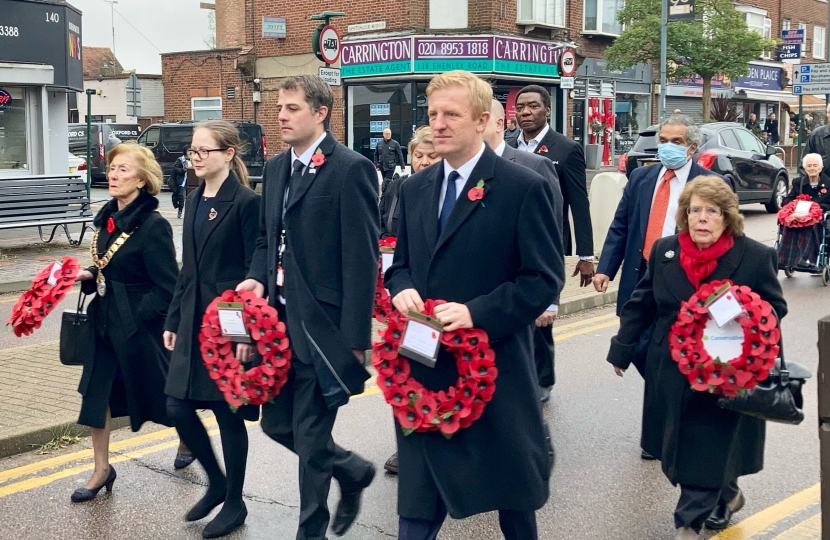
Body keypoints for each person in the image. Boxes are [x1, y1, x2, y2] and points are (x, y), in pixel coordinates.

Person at [385, 70, 562, 540]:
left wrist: (475, 312)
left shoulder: (522, 186)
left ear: (483, 120)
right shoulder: (415, 188)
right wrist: (399, 287)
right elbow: (399, 263)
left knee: (513, 500)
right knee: (418, 508)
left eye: (451, 115)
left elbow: (543, 279)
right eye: (433, 114)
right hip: (424, 370)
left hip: (494, 373)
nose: (439, 124)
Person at [237, 74, 377, 540]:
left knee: (313, 437)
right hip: (276, 325)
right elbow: (265, 238)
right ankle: (351, 470)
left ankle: (310, 531)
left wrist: (357, 340)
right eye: (279, 107)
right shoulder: (275, 169)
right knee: (277, 426)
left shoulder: (349, 168)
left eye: (292, 108)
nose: (280, 116)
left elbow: (362, 260)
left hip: (322, 328)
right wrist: (255, 278)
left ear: (320, 113)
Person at [607, 176, 787, 539]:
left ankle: (688, 523)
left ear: (727, 217)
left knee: (708, 442)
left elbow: (774, 308)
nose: (702, 218)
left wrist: (739, 311)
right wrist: (622, 350)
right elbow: (642, 304)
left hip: (727, 374)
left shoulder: (754, 256)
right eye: (694, 211)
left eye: (711, 211)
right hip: (672, 370)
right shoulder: (664, 251)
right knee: (685, 446)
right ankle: (726, 493)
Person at [594, 114, 719, 459]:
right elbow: (622, 225)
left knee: (668, 351)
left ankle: (664, 429)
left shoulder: (708, 182)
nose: (667, 147)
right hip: (640, 274)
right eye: (664, 140)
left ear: (692, 147)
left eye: (676, 142)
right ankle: (673, 404)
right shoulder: (641, 176)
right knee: (638, 347)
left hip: (682, 279)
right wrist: (607, 268)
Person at [162, 120, 260, 539]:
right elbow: (189, 268)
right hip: (191, 316)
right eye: (193, 152)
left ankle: (234, 500)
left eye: (203, 151)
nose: (195, 158)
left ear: (228, 154)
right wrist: (172, 319)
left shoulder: (246, 202)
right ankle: (216, 482)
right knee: (177, 407)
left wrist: (247, 334)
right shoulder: (193, 197)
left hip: (229, 321)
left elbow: (257, 267)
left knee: (226, 412)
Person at [71, 142, 179, 502]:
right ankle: (102, 469)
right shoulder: (107, 218)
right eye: (112, 168)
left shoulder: (153, 225)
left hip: (138, 330)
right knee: (95, 395)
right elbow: (108, 264)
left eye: (123, 170)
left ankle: (188, 438)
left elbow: (168, 287)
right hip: (103, 323)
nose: (114, 175)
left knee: (165, 397)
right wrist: (89, 274)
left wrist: (136, 313)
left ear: (142, 180)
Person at [484, 98, 565, 403]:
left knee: (536, 340)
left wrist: (551, 300)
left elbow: (552, 233)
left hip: (526, 280)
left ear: (498, 123)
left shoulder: (534, 165)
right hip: (487, 290)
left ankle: (541, 385)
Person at [507, 84, 594, 285]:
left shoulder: (567, 149)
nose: (525, 112)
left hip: (548, 241)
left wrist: (586, 255)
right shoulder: (507, 146)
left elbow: (579, 204)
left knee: (544, 306)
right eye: (519, 108)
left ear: (547, 110)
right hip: (509, 242)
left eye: (533, 106)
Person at [379, 126, 440, 240]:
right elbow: (379, 225)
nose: (424, 162)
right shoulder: (395, 187)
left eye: (432, 156)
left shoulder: (450, 192)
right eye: (418, 156)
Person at [778, 152, 830, 271]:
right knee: (789, 223)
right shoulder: (798, 182)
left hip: (818, 219)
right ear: (805, 168)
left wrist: (814, 207)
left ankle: (804, 258)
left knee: (808, 225)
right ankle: (784, 258)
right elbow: (788, 199)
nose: (812, 168)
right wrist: (793, 205)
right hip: (798, 215)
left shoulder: (828, 184)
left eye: (815, 165)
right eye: (809, 166)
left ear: (821, 167)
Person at [374, 127, 405, 195]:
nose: (388, 135)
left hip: (391, 166)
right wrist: (376, 165)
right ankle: (387, 194)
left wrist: (402, 166)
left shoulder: (395, 143)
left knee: (386, 181)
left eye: (389, 134)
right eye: (386, 134)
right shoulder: (379, 143)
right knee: (385, 180)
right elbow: (376, 154)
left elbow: (400, 155)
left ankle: (384, 194)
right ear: (383, 134)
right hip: (382, 166)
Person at [803, 104, 830, 171]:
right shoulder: (816, 135)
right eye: (829, 112)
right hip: (822, 180)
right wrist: (807, 181)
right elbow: (804, 162)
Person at [169, 154, 189, 219]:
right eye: (189, 151)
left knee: (190, 198)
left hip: (189, 181)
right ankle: (180, 210)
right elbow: (175, 169)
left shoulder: (193, 159)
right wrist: (183, 170)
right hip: (181, 181)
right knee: (181, 197)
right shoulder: (180, 160)